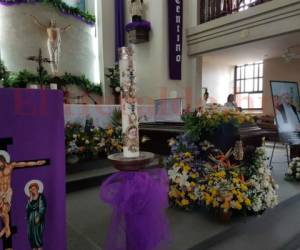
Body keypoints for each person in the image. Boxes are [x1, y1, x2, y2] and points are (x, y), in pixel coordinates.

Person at [0, 151, 46, 238]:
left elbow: (25, 164)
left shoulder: (11, 166)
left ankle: (7, 228)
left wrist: (36, 163)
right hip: (0, 193)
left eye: (0, 164)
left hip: (7, 192)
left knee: (4, 211)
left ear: (3, 160)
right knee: (2, 214)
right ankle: (5, 228)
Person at [25, 181, 47, 250]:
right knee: (31, 237)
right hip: (31, 220)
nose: (32, 190)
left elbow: (42, 207)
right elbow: (27, 209)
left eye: (34, 189)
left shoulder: (41, 196)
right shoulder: (30, 199)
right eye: (31, 189)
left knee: (38, 237)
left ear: (37, 189)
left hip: (38, 218)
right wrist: (30, 199)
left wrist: (39, 216)